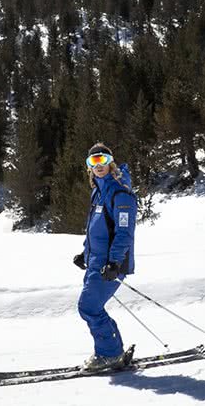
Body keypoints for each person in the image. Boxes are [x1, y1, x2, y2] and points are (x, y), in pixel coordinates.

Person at [70, 143, 138, 372]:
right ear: (89, 166)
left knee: (89, 307)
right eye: (93, 161)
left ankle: (110, 354)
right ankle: (112, 351)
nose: (98, 165)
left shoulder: (120, 193)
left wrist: (115, 262)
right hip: (97, 261)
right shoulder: (99, 191)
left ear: (111, 162)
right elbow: (96, 228)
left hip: (110, 264)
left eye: (103, 159)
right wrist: (85, 253)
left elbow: (124, 232)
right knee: (92, 307)